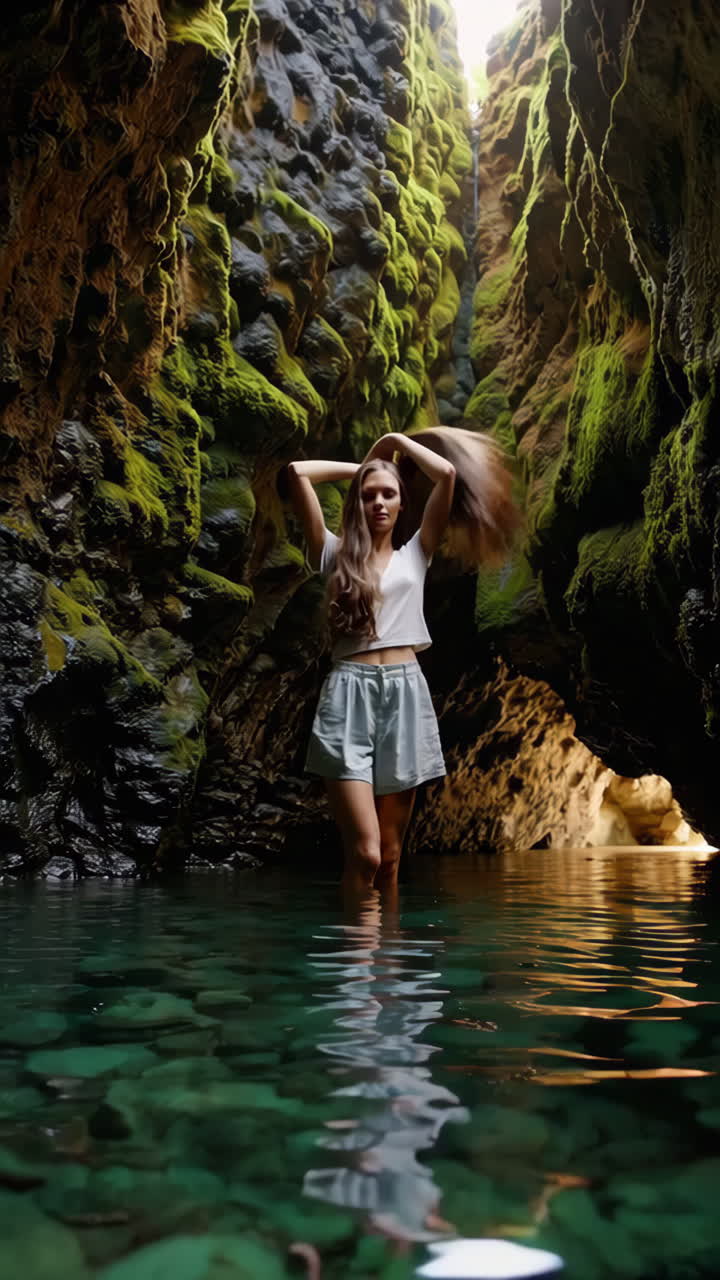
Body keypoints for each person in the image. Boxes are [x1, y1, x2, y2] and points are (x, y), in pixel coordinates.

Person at [287, 428, 517, 894]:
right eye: (369, 496)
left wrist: (392, 442)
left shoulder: (417, 553)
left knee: (390, 858)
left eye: (388, 494)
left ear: (401, 503)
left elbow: (447, 472)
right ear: (358, 502)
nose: (378, 503)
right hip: (348, 694)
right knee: (366, 854)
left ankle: (385, 963)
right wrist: (365, 471)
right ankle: (357, 965)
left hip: (406, 695)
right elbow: (296, 473)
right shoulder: (331, 553)